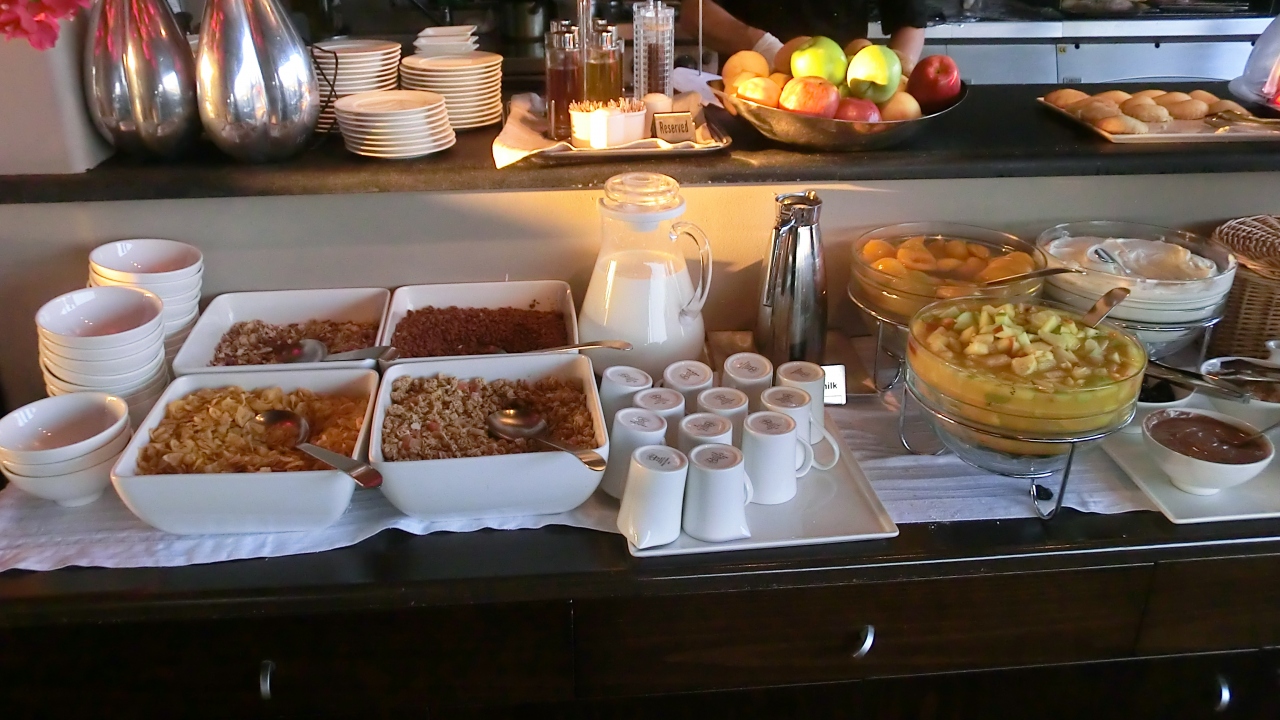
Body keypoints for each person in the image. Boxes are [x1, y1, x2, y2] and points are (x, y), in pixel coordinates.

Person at [677, 0, 927, 71]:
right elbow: (695, 11)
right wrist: (766, 47)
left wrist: (896, 82)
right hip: (752, 99)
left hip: (848, 112)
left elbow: (910, 20)